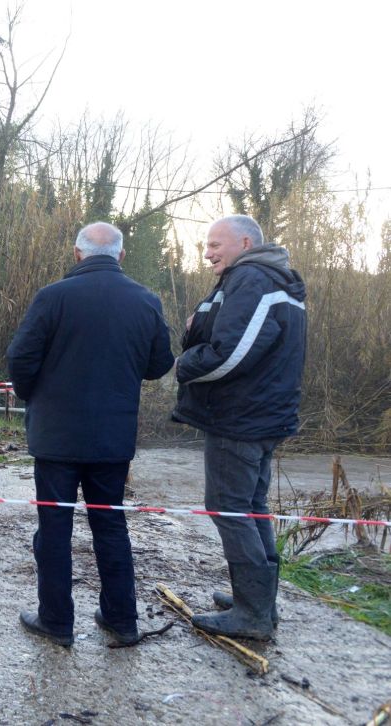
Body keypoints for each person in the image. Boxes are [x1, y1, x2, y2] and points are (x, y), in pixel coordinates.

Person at [6, 222, 174, 647]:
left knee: (55, 528)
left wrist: (35, 398)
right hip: (112, 437)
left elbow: (20, 358)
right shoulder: (145, 300)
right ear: (120, 256)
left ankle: (56, 622)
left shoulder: (53, 297)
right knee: (110, 525)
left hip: (56, 437)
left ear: (78, 255)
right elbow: (158, 365)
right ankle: (122, 620)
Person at [173, 214, 306, 640]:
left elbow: (230, 353)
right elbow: (212, 333)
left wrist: (182, 367)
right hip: (260, 415)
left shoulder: (252, 280)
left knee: (228, 507)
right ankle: (259, 603)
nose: (208, 252)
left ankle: (252, 614)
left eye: (216, 244)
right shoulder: (266, 279)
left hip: (241, 418)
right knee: (250, 507)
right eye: (206, 245)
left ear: (245, 243)